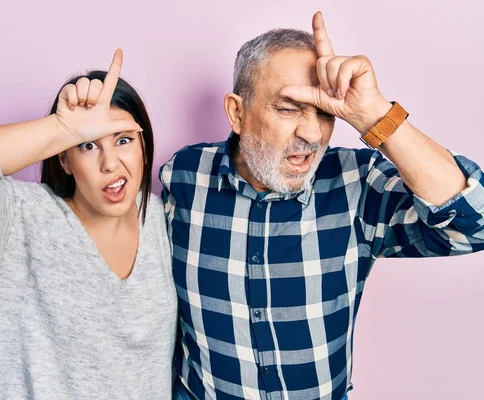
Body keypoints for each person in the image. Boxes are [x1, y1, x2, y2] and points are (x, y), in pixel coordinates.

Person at [161, 12, 484, 400]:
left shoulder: (358, 184)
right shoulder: (182, 176)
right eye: (288, 108)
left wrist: (375, 115)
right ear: (237, 113)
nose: (312, 134)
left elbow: (475, 223)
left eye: (325, 112)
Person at [0, 50, 177, 399]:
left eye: (123, 140)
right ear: (64, 159)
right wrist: (62, 128)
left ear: (144, 146)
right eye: (88, 145)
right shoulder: (16, 221)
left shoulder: (163, 218)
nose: (110, 163)